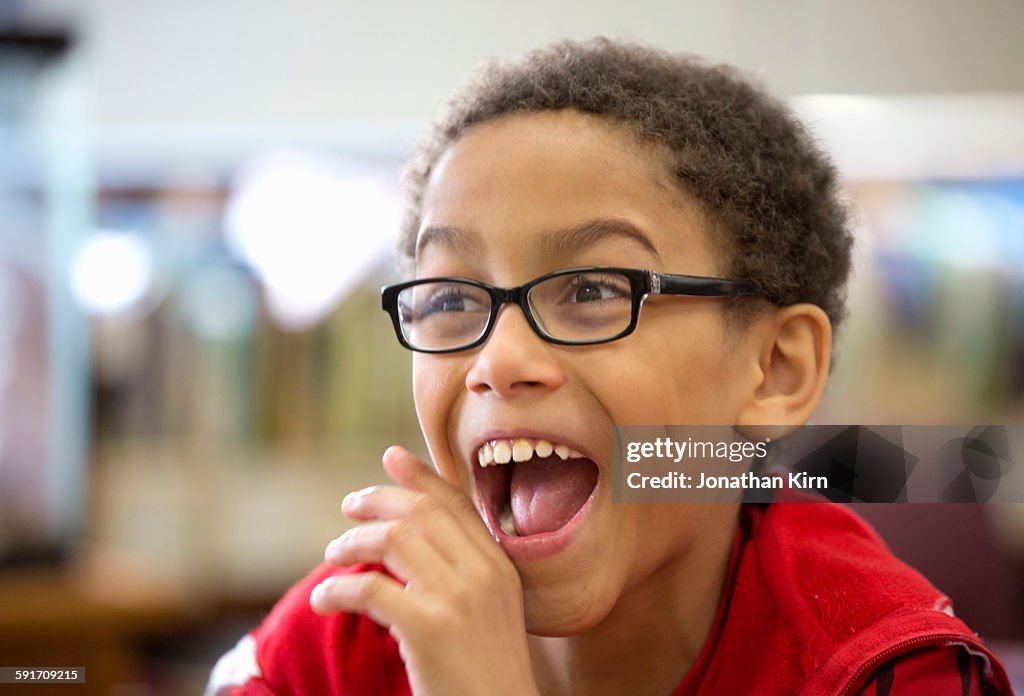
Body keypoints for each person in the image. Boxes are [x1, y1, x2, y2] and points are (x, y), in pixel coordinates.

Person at [208, 38, 1011, 695]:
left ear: (774, 369)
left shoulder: (889, 672)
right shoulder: (347, 636)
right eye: (452, 296)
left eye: (593, 288)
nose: (498, 360)